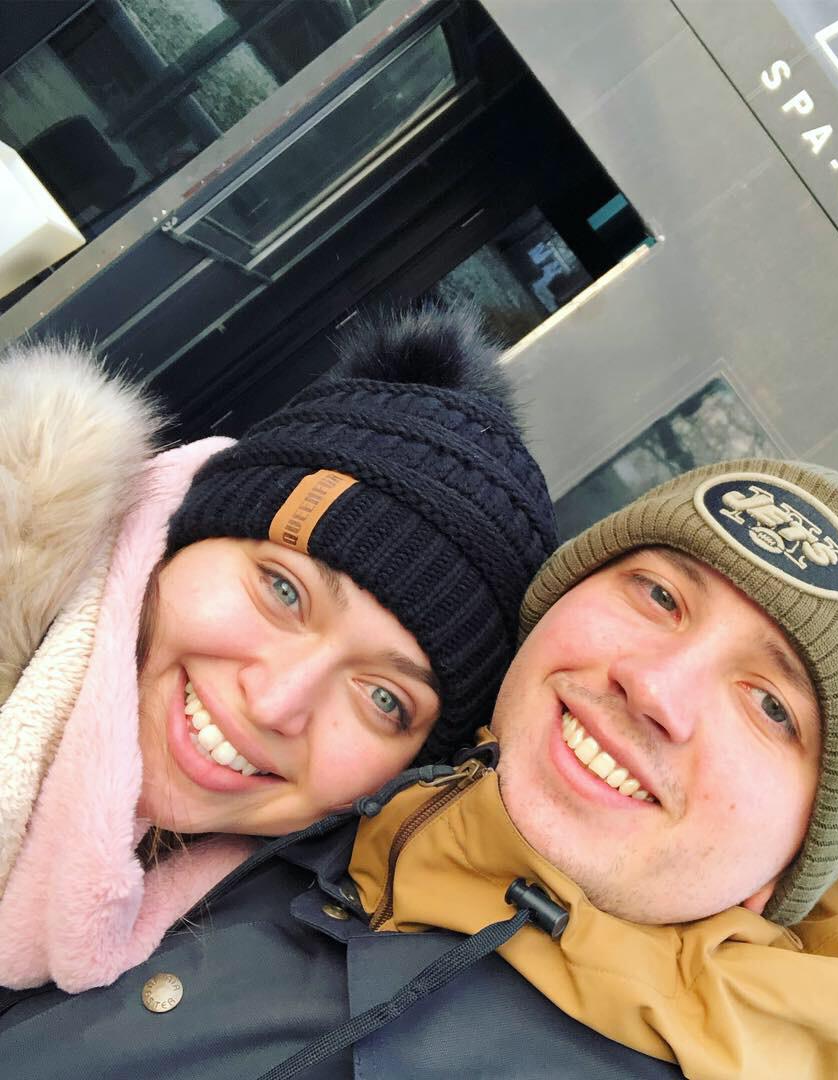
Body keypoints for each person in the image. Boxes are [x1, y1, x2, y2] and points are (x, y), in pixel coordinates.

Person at [0, 459, 838, 1080]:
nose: (654, 687)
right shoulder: (315, 799)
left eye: (771, 707)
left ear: (789, 869)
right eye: (660, 595)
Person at [0, 308, 557, 993]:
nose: (274, 703)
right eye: (284, 591)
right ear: (180, 538)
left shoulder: (254, 972)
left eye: (385, 699)